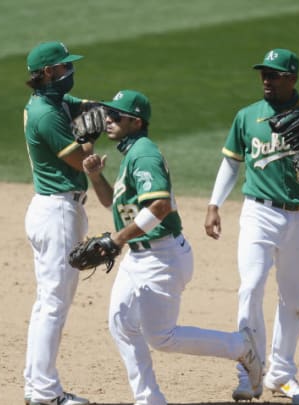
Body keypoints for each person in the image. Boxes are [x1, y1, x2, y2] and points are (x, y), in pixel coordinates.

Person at [82, 89, 263, 405]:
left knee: (162, 338)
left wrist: (117, 239)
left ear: (135, 121)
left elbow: (160, 207)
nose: (107, 120)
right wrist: (96, 176)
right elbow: (113, 202)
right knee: (121, 323)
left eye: (115, 116)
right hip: (140, 257)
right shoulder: (132, 154)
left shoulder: (144, 155)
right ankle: (149, 399)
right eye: (107, 114)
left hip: (162, 256)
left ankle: (240, 347)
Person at [204, 48, 299, 401]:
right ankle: (247, 370)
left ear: (292, 78)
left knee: (292, 298)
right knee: (250, 288)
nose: (266, 79)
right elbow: (231, 163)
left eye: (274, 74)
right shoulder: (247, 116)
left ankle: (281, 374)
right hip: (258, 213)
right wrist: (214, 204)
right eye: (264, 73)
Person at [22, 41, 97, 405]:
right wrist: (90, 137)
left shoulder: (51, 103)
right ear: (48, 72)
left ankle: (37, 385)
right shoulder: (46, 114)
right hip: (58, 213)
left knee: (47, 302)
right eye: (64, 66)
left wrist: (106, 109)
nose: (70, 71)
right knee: (54, 304)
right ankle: (44, 393)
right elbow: (79, 161)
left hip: (53, 210)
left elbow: (84, 106)